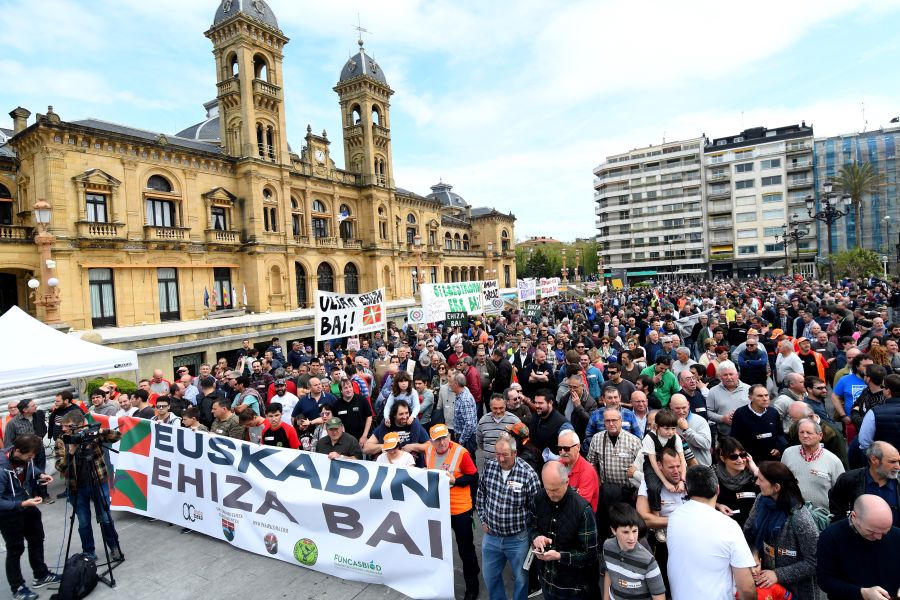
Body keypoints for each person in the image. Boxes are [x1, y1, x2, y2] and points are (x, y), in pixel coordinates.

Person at [667, 465, 757, 600]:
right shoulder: (729, 526)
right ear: (718, 489)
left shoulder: (675, 517)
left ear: (686, 490)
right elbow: (746, 588)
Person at [476, 432, 540, 600]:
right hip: (491, 538)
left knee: (521, 579)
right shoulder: (489, 467)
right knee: (490, 576)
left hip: (517, 539)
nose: (501, 459)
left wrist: (531, 534)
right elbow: (481, 495)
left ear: (515, 453)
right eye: (498, 454)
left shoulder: (528, 474)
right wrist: (483, 519)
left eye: (505, 455)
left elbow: (537, 510)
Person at [743, 461, 820, 600]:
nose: (757, 483)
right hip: (766, 584)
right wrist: (754, 554)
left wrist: (778, 574)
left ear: (776, 487)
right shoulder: (761, 500)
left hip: (797, 590)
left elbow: (813, 562)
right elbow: (748, 532)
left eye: (761, 480)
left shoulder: (799, 518)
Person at [55, 411, 124, 563]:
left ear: (79, 425)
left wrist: (98, 431)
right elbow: (60, 466)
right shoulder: (62, 440)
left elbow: (118, 436)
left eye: (68, 427)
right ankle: (89, 552)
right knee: (83, 522)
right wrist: (71, 450)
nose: (64, 429)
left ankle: (114, 547)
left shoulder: (91, 435)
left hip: (98, 482)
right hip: (76, 487)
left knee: (105, 517)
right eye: (63, 426)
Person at [0, 435, 60, 600]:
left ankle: (41, 574)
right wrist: (21, 504)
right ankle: (17, 588)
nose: (31, 459)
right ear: (17, 451)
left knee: (37, 538)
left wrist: (40, 475)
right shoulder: (1, 468)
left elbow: (30, 469)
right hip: (9, 514)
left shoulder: (26, 458)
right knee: (15, 549)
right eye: (29, 456)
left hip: (27, 504)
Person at [528, 461, 598, 600]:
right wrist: (536, 538)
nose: (551, 494)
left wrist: (560, 556)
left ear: (567, 482)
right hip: (546, 581)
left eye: (555, 490)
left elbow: (590, 554)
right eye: (547, 489)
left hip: (573, 589)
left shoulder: (583, 510)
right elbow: (531, 527)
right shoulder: (539, 497)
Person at [426, 423, 480, 600]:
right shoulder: (429, 451)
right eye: (437, 440)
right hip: (438, 509)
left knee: (465, 550)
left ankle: (472, 588)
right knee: (437, 550)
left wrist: (455, 481)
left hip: (459, 510)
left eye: (444, 438)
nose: (442, 443)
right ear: (431, 442)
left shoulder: (461, 452)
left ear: (449, 437)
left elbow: (473, 476)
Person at [816, 494, 900, 600]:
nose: (879, 537)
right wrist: (862, 593)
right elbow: (825, 580)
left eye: (885, 531)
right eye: (872, 531)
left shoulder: (897, 536)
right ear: (854, 516)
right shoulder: (831, 536)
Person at [601, 503, 666, 600]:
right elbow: (609, 571)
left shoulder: (648, 561)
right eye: (626, 532)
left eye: (635, 531)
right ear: (614, 530)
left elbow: (659, 597)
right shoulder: (607, 546)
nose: (631, 538)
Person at [829, 441, 900, 526]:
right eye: (892, 462)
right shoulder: (848, 480)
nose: (898, 466)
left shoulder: (897, 483)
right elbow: (837, 513)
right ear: (874, 459)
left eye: (898, 461)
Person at [780, 418, 845, 511]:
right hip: (793, 511)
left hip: (822, 516)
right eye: (801, 432)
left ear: (820, 435)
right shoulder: (788, 453)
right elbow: (781, 480)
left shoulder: (833, 461)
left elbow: (842, 492)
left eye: (809, 433)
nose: (805, 436)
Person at [641, 409, 687, 512]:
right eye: (666, 428)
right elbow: (653, 463)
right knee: (653, 488)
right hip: (653, 465)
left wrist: (682, 480)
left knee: (690, 481)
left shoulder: (676, 437)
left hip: (671, 464)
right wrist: (666, 482)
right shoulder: (650, 438)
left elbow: (683, 460)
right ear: (657, 427)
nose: (671, 432)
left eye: (673, 428)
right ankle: (656, 513)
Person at [730, 384, 787, 464]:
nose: (765, 399)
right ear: (750, 398)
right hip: (751, 460)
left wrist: (779, 448)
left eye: (766, 395)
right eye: (760, 396)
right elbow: (735, 438)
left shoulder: (773, 412)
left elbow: (780, 434)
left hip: (772, 460)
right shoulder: (740, 413)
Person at [364, 400, 430, 466]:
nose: (405, 417)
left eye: (406, 413)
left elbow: (430, 446)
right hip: (389, 467)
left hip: (412, 467)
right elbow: (366, 448)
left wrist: (413, 446)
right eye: (401, 414)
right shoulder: (386, 426)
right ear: (394, 415)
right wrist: (387, 446)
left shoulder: (415, 426)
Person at [714, 436, 760, 528]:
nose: (740, 460)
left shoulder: (755, 476)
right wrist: (717, 505)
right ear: (723, 459)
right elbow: (699, 499)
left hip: (751, 530)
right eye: (733, 457)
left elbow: (774, 491)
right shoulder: (713, 476)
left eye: (743, 455)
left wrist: (755, 470)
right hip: (723, 528)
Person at [556, 429, 598, 512]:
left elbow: (579, 505)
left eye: (567, 448)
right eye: (560, 448)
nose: (563, 452)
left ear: (578, 447)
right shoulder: (559, 464)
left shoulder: (587, 472)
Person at [706, 360, 751, 437]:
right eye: (725, 375)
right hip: (725, 436)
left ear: (737, 375)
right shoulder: (713, 391)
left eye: (731, 374)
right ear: (720, 377)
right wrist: (723, 418)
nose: (729, 377)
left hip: (748, 434)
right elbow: (708, 412)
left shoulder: (749, 389)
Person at [670, 393, 712, 466]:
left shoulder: (700, 421)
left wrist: (686, 430)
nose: (681, 411)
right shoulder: (669, 423)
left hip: (701, 469)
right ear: (671, 406)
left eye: (684, 408)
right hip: (680, 470)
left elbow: (706, 444)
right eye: (677, 408)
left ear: (688, 405)